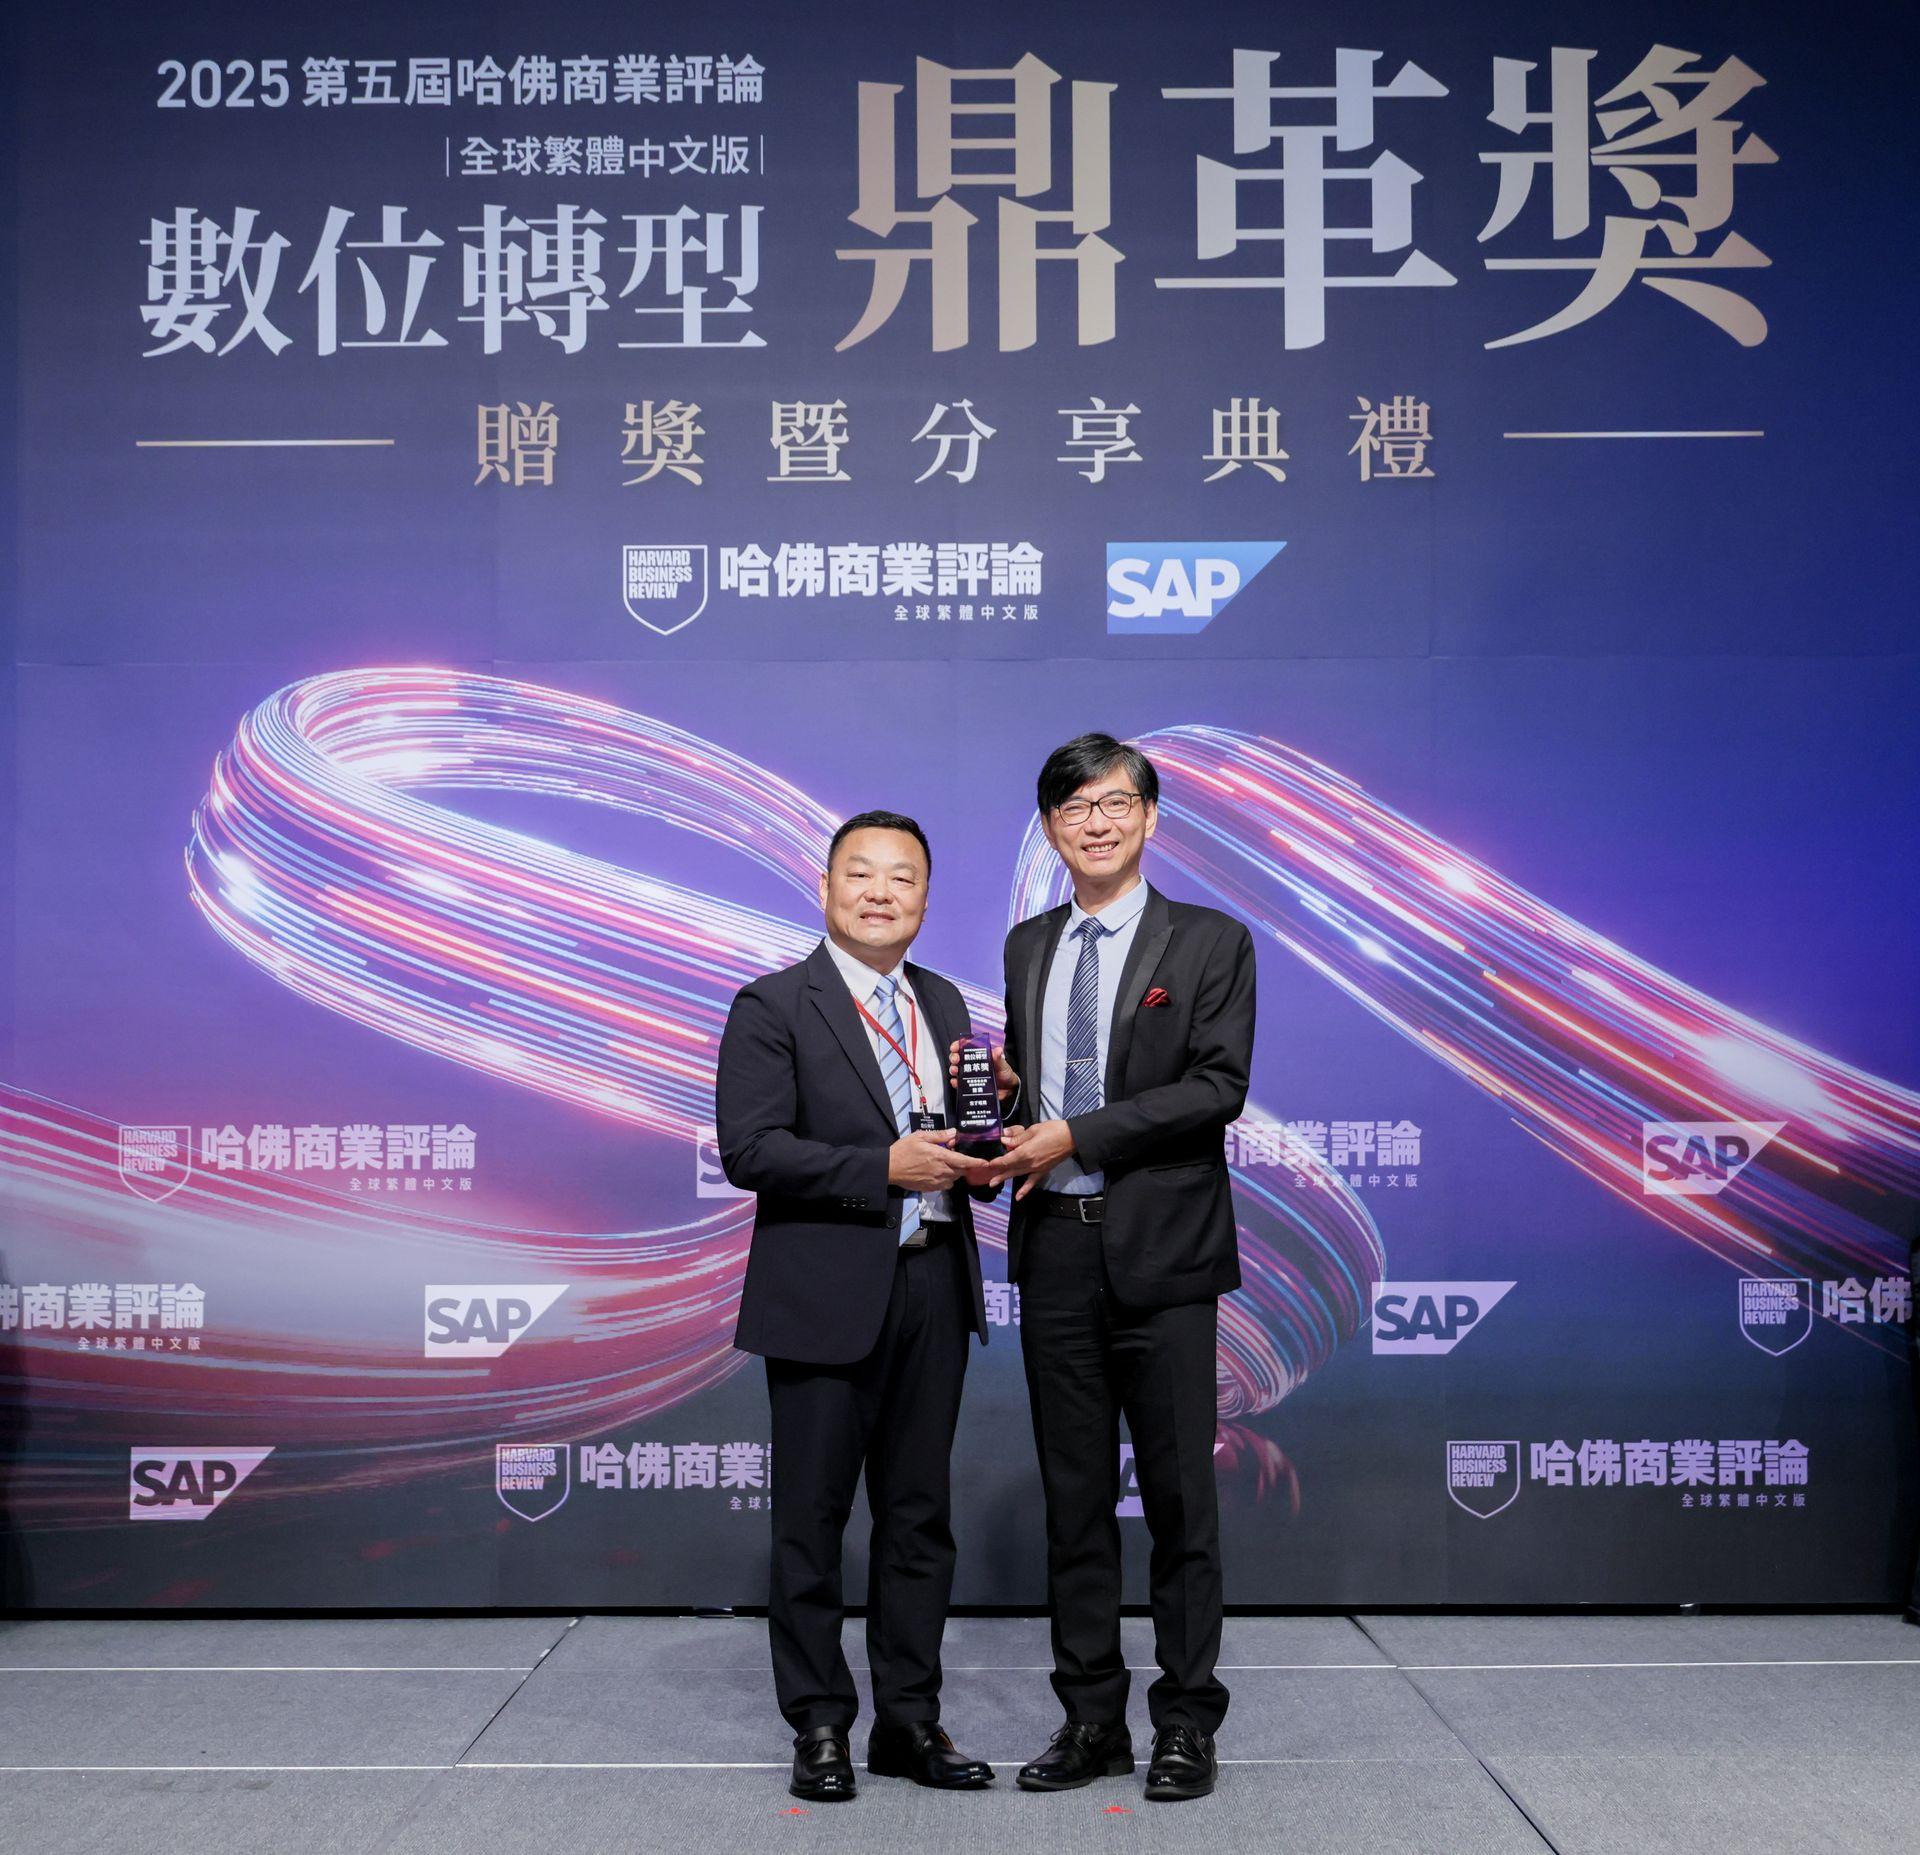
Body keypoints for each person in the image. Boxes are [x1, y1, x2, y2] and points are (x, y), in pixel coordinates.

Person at [972, 733, 1254, 1803]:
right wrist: (1003, 1101)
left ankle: (1185, 1720)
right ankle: (1092, 1717)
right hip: (1054, 1247)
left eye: (1114, 802)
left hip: (1165, 1253)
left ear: (1149, 817)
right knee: (1075, 1497)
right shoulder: (1027, 945)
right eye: (1073, 807)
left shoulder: (1211, 940)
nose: (1094, 822)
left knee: (1180, 1500)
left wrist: (1077, 1133)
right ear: (1051, 828)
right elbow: (1035, 1089)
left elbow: (1216, 1087)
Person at [717, 810, 998, 1803]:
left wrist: (990, 1135)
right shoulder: (773, 1003)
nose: (882, 892)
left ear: (925, 897)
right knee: (812, 1519)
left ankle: (909, 1721)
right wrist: (882, 1167)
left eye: (903, 878)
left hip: (933, 1281)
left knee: (920, 1518)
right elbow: (751, 1149)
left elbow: (959, 1142)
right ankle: (821, 1723)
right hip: (822, 1292)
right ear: (827, 887)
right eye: (862, 874)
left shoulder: (944, 1000)